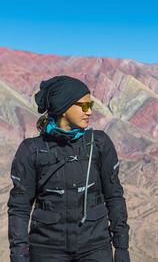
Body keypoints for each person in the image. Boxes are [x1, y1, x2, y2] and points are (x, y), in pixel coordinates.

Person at [8, 76, 130, 262]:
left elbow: (114, 197)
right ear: (63, 107)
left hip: (95, 248)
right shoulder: (31, 151)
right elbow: (19, 208)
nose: (89, 112)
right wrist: (18, 255)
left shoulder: (99, 144)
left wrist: (121, 247)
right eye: (84, 106)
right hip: (46, 250)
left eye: (91, 105)